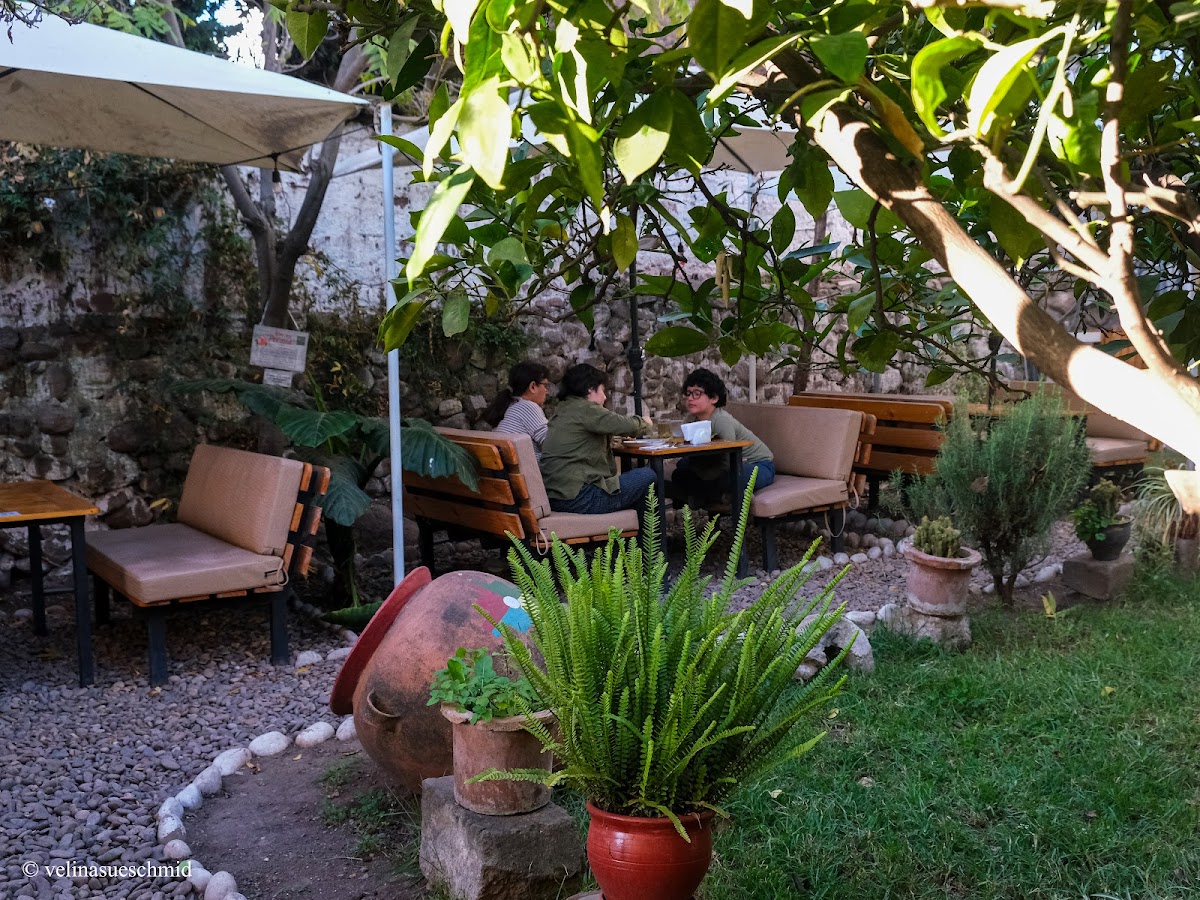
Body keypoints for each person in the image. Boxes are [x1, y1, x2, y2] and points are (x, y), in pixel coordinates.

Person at [540, 363, 656, 515]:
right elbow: (628, 425)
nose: (605, 397)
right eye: (602, 390)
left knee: (631, 486)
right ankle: (650, 531)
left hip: (556, 497)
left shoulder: (563, 409)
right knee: (647, 476)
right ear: (590, 388)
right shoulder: (586, 409)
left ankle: (632, 530)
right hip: (581, 498)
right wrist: (646, 422)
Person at [669, 367, 775, 508]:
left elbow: (729, 459)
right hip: (712, 464)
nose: (690, 398)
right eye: (688, 393)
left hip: (757, 465)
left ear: (714, 398)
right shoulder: (691, 419)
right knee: (680, 471)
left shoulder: (721, 420)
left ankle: (708, 497)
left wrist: (703, 474)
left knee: (727, 478)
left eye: (697, 394)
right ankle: (713, 496)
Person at [482, 361, 552, 458]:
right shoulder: (527, 407)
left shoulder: (509, 406)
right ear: (532, 387)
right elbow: (551, 443)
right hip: (527, 467)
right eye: (545, 385)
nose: (546, 391)